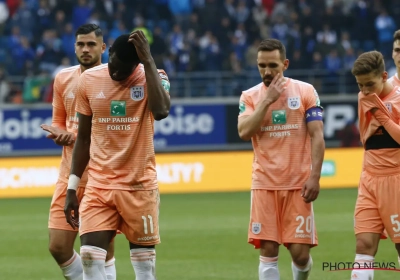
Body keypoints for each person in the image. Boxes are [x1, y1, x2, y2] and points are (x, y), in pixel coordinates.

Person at [64, 31, 170, 280]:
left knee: (144, 269)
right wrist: (72, 187)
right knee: (90, 258)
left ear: (137, 64)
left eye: (124, 71)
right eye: (113, 65)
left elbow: (162, 110)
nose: (116, 73)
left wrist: (149, 62)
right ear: (108, 52)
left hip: (139, 186)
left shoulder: (155, 77)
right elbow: (84, 138)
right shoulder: (89, 80)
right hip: (100, 185)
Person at [237, 38, 325, 280]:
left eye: (273, 65)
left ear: (285, 64)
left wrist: (314, 177)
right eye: (261, 65)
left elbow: (317, 136)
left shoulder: (306, 91)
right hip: (264, 185)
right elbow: (244, 132)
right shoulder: (250, 96)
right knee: (268, 250)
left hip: (298, 184)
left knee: (300, 255)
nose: (267, 71)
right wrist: (267, 100)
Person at [40, 24, 117, 280]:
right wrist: (60, 134)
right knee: (58, 246)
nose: (85, 49)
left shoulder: (114, 80)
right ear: (74, 47)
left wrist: (73, 137)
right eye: (81, 44)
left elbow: (114, 133)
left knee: (100, 252)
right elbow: (59, 120)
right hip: (68, 174)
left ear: (103, 48)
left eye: (91, 44)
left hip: (102, 177)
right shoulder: (63, 78)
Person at [350, 50, 400, 279]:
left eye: (369, 84)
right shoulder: (364, 97)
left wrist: (380, 114)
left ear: (384, 76)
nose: (364, 91)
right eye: (360, 85)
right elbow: (365, 139)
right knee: (363, 245)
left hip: (395, 179)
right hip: (369, 178)